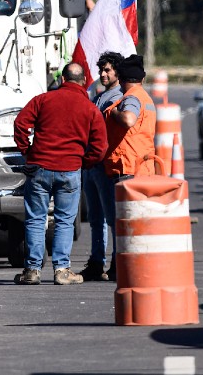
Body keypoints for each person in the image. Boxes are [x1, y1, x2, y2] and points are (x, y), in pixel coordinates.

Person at [12, 63, 107, 285]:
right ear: (84, 81)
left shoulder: (43, 100)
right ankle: (62, 270)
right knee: (65, 220)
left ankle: (32, 271)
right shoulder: (90, 108)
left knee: (36, 218)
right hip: (70, 169)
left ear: (63, 79)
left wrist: (27, 151)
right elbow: (100, 146)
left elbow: (20, 124)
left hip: (39, 168)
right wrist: (85, 162)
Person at [101, 54, 158, 281]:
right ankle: (132, 265)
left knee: (124, 224)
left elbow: (128, 120)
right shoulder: (146, 98)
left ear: (123, 79)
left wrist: (113, 112)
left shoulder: (131, 98)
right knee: (135, 222)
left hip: (127, 169)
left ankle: (123, 268)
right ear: (142, 78)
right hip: (142, 168)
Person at [80, 51, 124, 281]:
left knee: (111, 217)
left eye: (108, 70)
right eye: (101, 70)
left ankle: (118, 261)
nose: (103, 74)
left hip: (106, 166)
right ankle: (97, 261)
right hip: (92, 165)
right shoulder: (100, 96)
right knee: (96, 218)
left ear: (117, 72)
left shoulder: (119, 97)